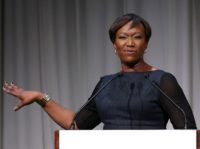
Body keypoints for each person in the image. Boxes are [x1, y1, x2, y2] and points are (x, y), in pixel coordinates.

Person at [2, 13, 197, 130]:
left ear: (146, 44)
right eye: (123, 37)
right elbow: (75, 125)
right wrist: (39, 97)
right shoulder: (106, 84)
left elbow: (188, 133)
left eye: (137, 37)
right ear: (115, 44)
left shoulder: (162, 81)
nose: (130, 43)